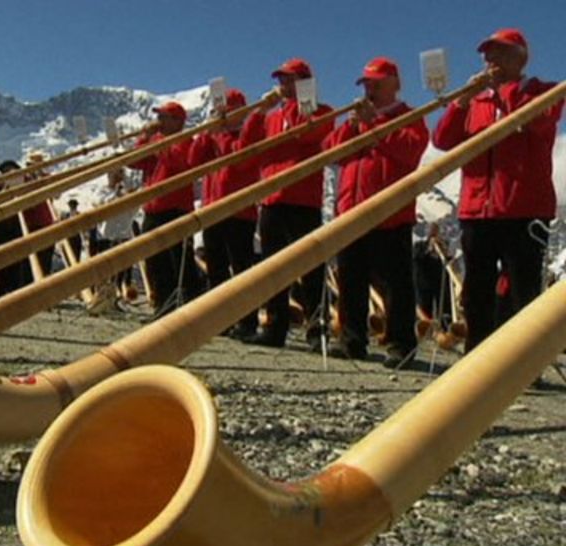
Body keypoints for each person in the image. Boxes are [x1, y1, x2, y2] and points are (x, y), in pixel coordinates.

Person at [432, 28, 563, 352]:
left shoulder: (543, 92)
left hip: (524, 207)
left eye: (500, 54)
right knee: (476, 288)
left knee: (523, 289)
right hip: (478, 208)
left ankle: (524, 360)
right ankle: (477, 354)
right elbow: (443, 140)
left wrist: (504, 92)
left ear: (520, 58)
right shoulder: (475, 101)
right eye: (488, 55)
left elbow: (539, 123)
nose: (491, 61)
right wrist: (461, 102)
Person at [323, 57, 429, 367]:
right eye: (367, 83)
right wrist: (353, 126)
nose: (371, 89)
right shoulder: (354, 120)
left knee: (396, 283)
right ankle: (352, 340)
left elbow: (410, 153)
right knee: (351, 280)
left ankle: (400, 344)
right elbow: (331, 152)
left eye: (377, 83)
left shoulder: (409, 116)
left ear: (395, 84)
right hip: (352, 211)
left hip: (390, 213)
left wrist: (373, 124)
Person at [241, 58, 335, 348]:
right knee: (273, 269)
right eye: (281, 80)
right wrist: (259, 112)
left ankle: (317, 328)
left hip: (302, 200)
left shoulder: (322, 112)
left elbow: (306, 132)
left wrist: (301, 104)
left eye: (289, 79)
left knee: (310, 270)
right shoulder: (271, 117)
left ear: (305, 82)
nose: (282, 85)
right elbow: (247, 146)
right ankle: (275, 326)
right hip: (272, 198)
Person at [188, 88, 261, 340]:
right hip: (213, 208)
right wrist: (205, 135)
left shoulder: (247, 132)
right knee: (216, 268)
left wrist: (219, 136)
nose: (223, 114)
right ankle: (219, 319)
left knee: (241, 269)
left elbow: (240, 158)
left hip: (240, 211)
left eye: (227, 110)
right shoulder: (214, 137)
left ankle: (247, 321)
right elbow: (194, 162)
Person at [128, 100, 200, 318]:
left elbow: (177, 162)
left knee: (178, 263)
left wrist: (156, 141)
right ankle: (162, 306)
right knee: (154, 262)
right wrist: (144, 139)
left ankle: (187, 308)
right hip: (153, 209)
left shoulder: (186, 140)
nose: (157, 122)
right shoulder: (157, 142)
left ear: (177, 121)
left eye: (163, 117)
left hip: (175, 209)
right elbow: (134, 161)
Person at [0, 160, 29, 296]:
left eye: (11, 171)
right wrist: (3, 191)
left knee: (15, 262)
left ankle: (13, 291)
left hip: (15, 227)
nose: (9, 174)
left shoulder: (24, 185)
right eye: (6, 172)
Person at [90, 168, 138, 294]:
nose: (117, 177)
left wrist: (127, 190)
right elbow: (100, 203)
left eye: (120, 173)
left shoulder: (126, 193)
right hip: (106, 235)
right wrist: (115, 194)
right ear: (108, 175)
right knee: (104, 270)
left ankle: (117, 295)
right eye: (114, 174)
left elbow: (134, 210)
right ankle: (100, 296)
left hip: (124, 234)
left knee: (121, 271)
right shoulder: (101, 191)